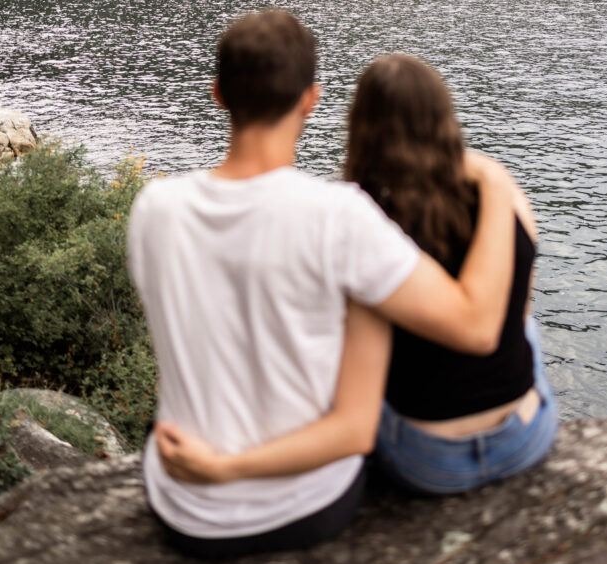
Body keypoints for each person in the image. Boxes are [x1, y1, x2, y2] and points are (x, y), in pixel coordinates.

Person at [128, 12, 516, 561]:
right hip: (304, 507)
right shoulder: (338, 217)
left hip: (180, 505)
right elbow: (475, 327)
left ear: (217, 95)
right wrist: (497, 186)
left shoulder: (153, 208)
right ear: (311, 99)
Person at [156, 54, 558, 499]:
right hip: (524, 440)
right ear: (445, 117)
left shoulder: (361, 224)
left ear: (361, 127)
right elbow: (514, 318)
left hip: (426, 460)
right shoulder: (506, 198)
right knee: (529, 330)